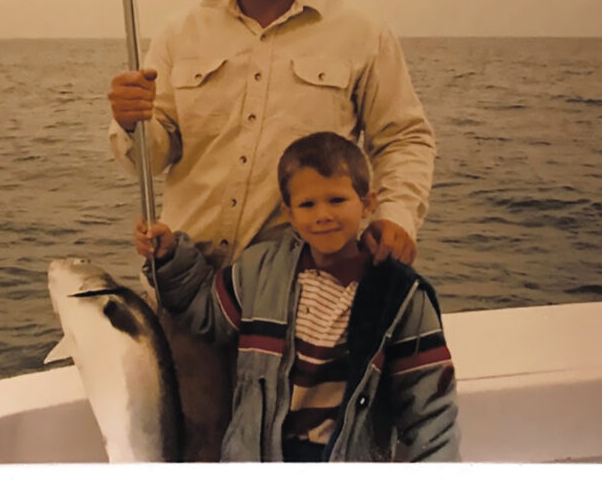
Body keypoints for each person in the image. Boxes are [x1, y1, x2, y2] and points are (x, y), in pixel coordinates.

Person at [109, 0, 436, 270]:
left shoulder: (361, 31)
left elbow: (404, 138)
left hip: (305, 290)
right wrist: (129, 121)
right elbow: (151, 159)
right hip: (186, 286)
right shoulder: (178, 34)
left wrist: (397, 216)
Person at [133, 132, 459, 462]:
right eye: (307, 204)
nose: (322, 215)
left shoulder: (401, 296)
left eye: (337, 200)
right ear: (289, 213)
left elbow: (430, 409)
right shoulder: (261, 271)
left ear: (368, 203)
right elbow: (205, 312)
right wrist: (169, 256)